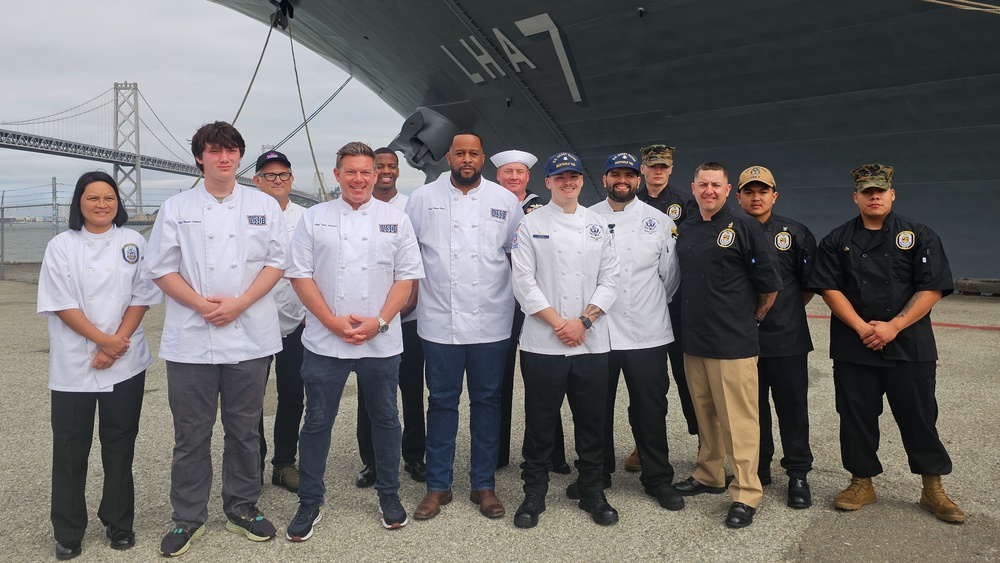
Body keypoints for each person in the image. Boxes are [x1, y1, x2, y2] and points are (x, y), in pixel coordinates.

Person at [143, 121, 287, 556]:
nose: (223, 158)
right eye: (214, 151)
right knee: (191, 432)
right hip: (191, 337)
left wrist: (239, 303)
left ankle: (243, 507)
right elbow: (161, 268)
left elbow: (276, 264)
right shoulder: (176, 207)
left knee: (244, 428)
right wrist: (204, 306)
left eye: (231, 151)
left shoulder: (264, 205)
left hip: (249, 334)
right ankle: (187, 517)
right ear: (200, 158)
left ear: (240, 157)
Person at [809, 163, 965, 523]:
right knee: (855, 417)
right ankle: (861, 482)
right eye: (867, 191)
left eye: (880, 190)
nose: (874, 195)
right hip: (854, 344)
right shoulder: (837, 239)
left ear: (892, 194)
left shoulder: (919, 234)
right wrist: (864, 327)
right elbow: (829, 288)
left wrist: (893, 326)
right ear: (856, 197)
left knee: (920, 417)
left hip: (909, 344)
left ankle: (932, 488)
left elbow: (933, 286)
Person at [284, 142, 424, 538]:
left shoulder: (396, 219)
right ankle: (310, 502)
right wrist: (330, 321)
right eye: (351, 172)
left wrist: (378, 322)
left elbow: (406, 277)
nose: (359, 179)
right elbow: (300, 275)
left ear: (376, 174)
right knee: (317, 421)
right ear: (338, 174)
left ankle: (389, 494)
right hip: (325, 341)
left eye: (366, 172)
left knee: (385, 418)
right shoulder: (314, 218)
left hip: (380, 339)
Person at [38, 171, 160, 560]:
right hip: (75, 362)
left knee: (120, 444)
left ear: (117, 203)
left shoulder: (133, 242)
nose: (102, 204)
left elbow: (141, 296)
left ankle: (119, 522)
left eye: (109, 197)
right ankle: (68, 530)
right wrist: (105, 341)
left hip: (124, 362)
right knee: (70, 449)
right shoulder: (61, 245)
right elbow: (60, 302)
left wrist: (115, 344)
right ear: (79, 203)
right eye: (92, 198)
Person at [404, 131, 523, 520]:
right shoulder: (422, 199)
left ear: (483, 158)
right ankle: (438, 486)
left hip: (492, 318)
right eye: (460, 153)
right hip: (439, 320)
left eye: (473, 153)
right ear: (448, 157)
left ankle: (483, 485)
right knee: (441, 402)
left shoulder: (505, 201)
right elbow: (407, 256)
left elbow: (517, 256)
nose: (466, 159)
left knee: (487, 402)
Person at [511, 151, 621, 529]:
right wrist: (562, 323)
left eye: (573, 176)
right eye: (560, 177)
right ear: (548, 182)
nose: (567, 182)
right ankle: (534, 492)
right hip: (544, 342)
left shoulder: (598, 224)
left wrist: (583, 322)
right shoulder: (530, 225)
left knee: (591, 421)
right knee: (540, 421)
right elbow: (523, 282)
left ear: (581, 180)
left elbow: (611, 281)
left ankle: (592, 488)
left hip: (590, 342)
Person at [672, 162, 780, 529]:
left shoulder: (746, 226)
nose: (709, 191)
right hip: (694, 339)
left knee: (740, 420)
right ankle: (709, 474)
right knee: (705, 413)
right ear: (693, 187)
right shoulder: (685, 228)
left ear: (727, 188)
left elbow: (769, 285)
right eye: (702, 184)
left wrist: (751, 320)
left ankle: (746, 491)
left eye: (716, 185)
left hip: (732, 341)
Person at [585, 152, 683, 511]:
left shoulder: (658, 221)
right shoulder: (587, 218)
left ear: (638, 179)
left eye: (628, 174)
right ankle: (597, 474)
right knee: (595, 407)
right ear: (605, 178)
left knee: (650, 407)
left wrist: (647, 305)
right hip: (600, 332)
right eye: (615, 174)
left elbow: (669, 278)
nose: (621, 180)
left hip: (647, 333)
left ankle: (657, 478)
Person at [735, 165, 816, 509]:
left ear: (774, 195)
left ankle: (797, 473)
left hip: (787, 339)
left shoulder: (794, 233)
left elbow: (808, 284)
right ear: (737, 196)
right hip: (742, 339)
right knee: (752, 410)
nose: (756, 197)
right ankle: (760, 467)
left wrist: (780, 313)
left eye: (762, 191)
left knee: (792, 407)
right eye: (749, 192)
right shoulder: (729, 231)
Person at [490, 148, 568, 473]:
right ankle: (496, 452)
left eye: (519, 172)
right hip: (499, 302)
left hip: (539, 304)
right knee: (498, 380)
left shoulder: (540, 208)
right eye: (508, 172)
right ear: (498, 176)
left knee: (544, 379)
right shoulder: (488, 206)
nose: (513, 177)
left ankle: (553, 453)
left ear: (528, 177)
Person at [355, 147, 427, 487]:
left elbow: (413, 265)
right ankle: (371, 461)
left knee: (411, 391)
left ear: (398, 170)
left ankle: (413, 455)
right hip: (368, 321)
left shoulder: (409, 207)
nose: (386, 171)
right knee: (370, 393)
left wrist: (403, 308)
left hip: (405, 318)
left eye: (391, 166)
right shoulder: (358, 208)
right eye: (379, 166)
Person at [629, 145, 699, 474]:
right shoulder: (631, 200)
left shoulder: (686, 202)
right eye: (652, 166)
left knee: (690, 379)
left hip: (680, 306)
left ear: (671, 169)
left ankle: (705, 444)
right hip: (644, 309)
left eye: (664, 166)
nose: (658, 171)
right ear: (642, 169)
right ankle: (644, 446)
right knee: (649, 384)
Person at [253, 150, 307, 494]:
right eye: (269, 175)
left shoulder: (308, 217)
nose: (277, 180)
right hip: (253, 319)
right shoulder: (245, 214)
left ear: (291, 179)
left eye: (282, 174)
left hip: (297, 321)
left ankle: (284, 463)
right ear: (257, 180)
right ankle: (251, 465)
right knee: (249, 399)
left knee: (292, 395)